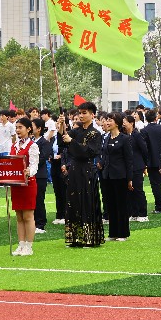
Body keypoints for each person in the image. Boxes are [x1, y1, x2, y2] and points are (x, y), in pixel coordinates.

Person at [60, 102, 105, 248]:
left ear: (92, 115)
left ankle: (89, 238)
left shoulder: (96, 133)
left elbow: (89, 152)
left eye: (84, 113)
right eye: (80, 113)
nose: (81, 115)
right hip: (74, 170)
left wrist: (72, 141)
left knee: (87, 202)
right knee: (73, 202)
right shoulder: (76, 131)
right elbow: (63, 139)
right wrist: (61, 125)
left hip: (87, 170)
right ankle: (75, 238)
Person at [100, 112, 134, 242]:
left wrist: (129, 178)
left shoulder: (124, 139)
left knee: (121, 205)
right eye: (107, 120)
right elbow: (104, 155)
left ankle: (123, 233)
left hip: (120, 176)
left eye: (110, 120)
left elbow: (129, 160)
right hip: (107, 175)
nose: (107, 122)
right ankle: (113, 233)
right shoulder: (106, 138)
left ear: (117, 123)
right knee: (110, 204)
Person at [9, 117, 40, 255]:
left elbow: (34, 165)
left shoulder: (32, 145)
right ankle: (21, 244)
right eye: (16, 127)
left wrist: (29, 172)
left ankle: (29, 246)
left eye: (20, 127)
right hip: (16, 184)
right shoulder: (14, 145)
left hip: (28, 184)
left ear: (28, 129)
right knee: (19, 216)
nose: (17, 130)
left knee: (28, 215)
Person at [123, 115, 149, 223]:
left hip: (138, 166)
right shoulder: (125, 135)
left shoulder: (137, 135)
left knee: (138, 190)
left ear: (131, 123)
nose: (123, 124)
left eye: (125, 122)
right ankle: (134, 213)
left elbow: (144, 150)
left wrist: (144, 164)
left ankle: (143, 214)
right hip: (128, 167)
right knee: (130, 190)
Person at [141, 109, 161, 215]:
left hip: (152, 161)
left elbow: (144, 148)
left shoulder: (144, 131)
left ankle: (159, 206)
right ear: (156, 118)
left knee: (155, 185)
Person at [29, 119, 51, 235]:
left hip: (40, 175)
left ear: (39, 129)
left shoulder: (44, 142)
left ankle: (40, 224)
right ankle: (32, 222)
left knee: (39, 199)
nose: (30, 128)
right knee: (31, 199)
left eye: (32, 126)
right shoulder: (30, 141)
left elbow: (42, 158)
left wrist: (31, 165)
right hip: (30, 174)